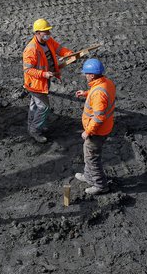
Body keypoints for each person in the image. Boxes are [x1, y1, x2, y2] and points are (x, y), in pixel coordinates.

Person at [22, 18, 73, 143]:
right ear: (38, 33)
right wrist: (44, 74)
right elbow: (27, 70)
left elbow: (59, 49)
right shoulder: (31, 49)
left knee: (34, 105)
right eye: (46, 32)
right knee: (44, 107)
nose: (48, 34)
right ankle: (35, 130)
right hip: (36, 83)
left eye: (48, 31)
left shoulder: (48, 41)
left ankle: (32, 126)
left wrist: (69, 54)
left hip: (43, 80)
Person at [74, 58, 116, 195]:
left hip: (97, 132)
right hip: (105, 127)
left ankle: (100, 185)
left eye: (86, 73)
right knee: (88, 155)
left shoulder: (99, 92)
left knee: (92, 158)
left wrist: (88, 131)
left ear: (92, 75)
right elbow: (98, 93)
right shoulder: (106, 82)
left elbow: (98, 117)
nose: (85, 75)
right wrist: (86, 93)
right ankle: (88, 176)